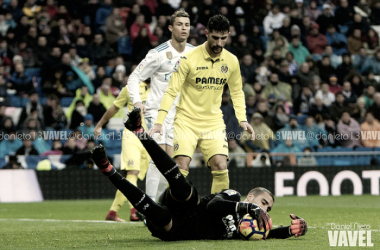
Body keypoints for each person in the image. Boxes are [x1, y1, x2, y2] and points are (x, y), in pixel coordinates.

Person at [90, 107, 308, 241]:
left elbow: (272, 233)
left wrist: (292, 230)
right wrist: (246, 207)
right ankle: (139, 131)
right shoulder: (233, 196)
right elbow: (214, 206)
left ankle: (107, 169)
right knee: (185, 189)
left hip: (176, 230)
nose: (264, 209)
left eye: (267, 208)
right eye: (263, 203)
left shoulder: (253, 228)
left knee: (161, 216)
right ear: (250, 197)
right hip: (187, 206)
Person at [149, 15, 254, 194]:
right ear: (206, 33)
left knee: (221, 165)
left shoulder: (232, 61)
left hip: (213, 122)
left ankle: (217, 214)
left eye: (223, 38)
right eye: (215, 37)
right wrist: (159, 121)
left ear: (228, 35)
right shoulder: (188, 58)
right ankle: (172, 212)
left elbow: (236, 92)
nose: (219, 43)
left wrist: (242, 119)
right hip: (186, 121)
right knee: (181, 166)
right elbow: (172, 91)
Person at [121, 10, 194, 204]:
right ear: (171, 27)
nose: (184, 28)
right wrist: (137, 101)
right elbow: (134, 77)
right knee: (158, 158)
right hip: (157, 111)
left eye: (186, 24)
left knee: (172, 165)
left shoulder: (194, 53)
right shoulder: (158, 53)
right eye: (179, 24)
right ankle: (149, 206)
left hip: (181, 115)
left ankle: (160, 204)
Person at [94, 76, 150, 221]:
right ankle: (134, 211)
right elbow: (115, 106)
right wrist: (100, 124)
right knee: (133, 171)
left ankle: (113, 212)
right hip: (132, 135)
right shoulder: (131, 88)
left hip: (151, 138)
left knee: (133, 177)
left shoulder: (163, 87)